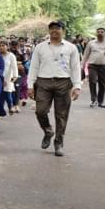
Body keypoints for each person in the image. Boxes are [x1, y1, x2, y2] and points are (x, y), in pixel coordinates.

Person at [28, 20, 82, 156]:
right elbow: (33, 66)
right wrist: (30, 85)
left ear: (63, 30)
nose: (54, 31)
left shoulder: (71, 48)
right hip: (43, 82)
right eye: (51, 28)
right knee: (40, 111)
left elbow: (75, 67)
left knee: (61, 115)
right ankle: (48, 130)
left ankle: (58, 144)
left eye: (57, 28)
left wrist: (77, 86)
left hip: (64, 83)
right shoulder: (40, 47)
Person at [83, 27, 105, 108]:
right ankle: (94, 100)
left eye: (102, 32)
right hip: (92, 66)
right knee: (92, 81)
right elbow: (86, 54)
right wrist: (82, 65)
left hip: (104, 66)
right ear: (96, 33)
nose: (100, 33)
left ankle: (100, 102)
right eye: (98, 32)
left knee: (102, 84)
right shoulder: (91, 43)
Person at [0, 40, 19, 116]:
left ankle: (10, 107)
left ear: (7, 46)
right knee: (0, 95)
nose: (1, 47)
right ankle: (0, 111)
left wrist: (15, 76)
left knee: (8, 93)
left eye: (3, 45)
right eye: (0, 45)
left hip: (9, 77)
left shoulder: (11, 56)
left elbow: (14, 67)